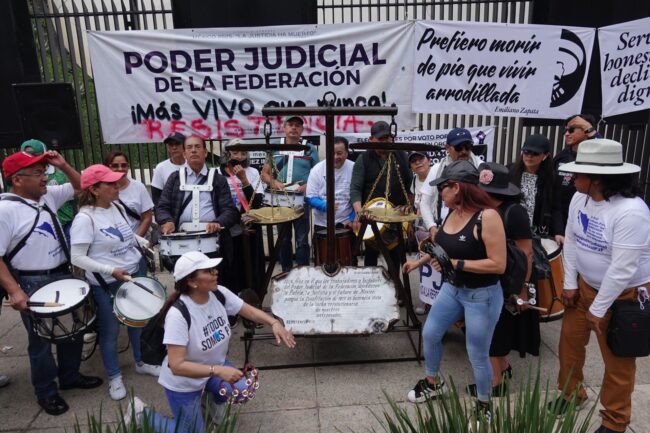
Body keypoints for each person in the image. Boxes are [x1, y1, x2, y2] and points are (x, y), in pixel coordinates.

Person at [124, 251, 296, 432]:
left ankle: (213, 403)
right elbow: (176, 365)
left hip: (212, 369)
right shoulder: (178, 315)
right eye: (208, 271)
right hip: (185, 382)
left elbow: (248, 311)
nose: (215, 273)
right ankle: (141, 414)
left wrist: (274, 322)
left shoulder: (218, 293)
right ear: (192, 282)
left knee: (243, 388)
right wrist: (218, 371)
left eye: (214, 269)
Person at [548, 139, 650, 433]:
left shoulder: (631, 211)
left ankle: (615, 422)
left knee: (618, 363)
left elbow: (623, 268)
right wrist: (569, 283)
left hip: (624, 297)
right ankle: (571, 394)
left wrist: (599, 308)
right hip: (584, 288)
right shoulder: (579, 198)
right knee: (569, 346)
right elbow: (572, 239)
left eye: (578, 173)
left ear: (598, 179)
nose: (572, 177)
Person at [402, 160, 506, 423]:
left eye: (442, 188)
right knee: (431, 333)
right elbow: (441, 246)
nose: (440, 193)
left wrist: (456, 264)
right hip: (452, 288)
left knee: (477, 354)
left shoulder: (488, 216)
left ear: (457, 187)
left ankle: (484, 405)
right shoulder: (452, 212)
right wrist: (419, 261)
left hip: (481, 295)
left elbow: (498, 264)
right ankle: (433, 382)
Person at [0, 150, 102, 415]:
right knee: (41, 341)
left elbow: (83, 186)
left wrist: (64, 165)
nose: (44, 177)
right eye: (37, 173)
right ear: (17, 180)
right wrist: (15, 290)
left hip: (62, 273)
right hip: (32, 280)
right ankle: (46, 391)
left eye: (43, 172)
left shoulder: (48, 197)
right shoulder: (5, 210)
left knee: (73, 330)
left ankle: (70, 376)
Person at [70, 164, 160, 401]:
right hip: (107, 283)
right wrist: (111, 270)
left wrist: (143, 243)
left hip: (133, 273)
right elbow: (77, 257)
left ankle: (141, 362)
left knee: (138, 322)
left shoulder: (116, 207)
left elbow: (128, 237)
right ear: (95, 189)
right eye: (110, 183)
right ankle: (114, 376)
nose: (116, 185)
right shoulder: (84, 218)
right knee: (110, 332)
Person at [467, 162, 538, 398]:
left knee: (493, 332)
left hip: (511, 281)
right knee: (496, 327)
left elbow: (526, 252)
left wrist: (523, 290)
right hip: (492, 277)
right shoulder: (485, 209)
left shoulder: (513, 211)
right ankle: (503, 368)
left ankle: (495, 383)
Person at [155, 135, 240, 278]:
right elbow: (162, 207)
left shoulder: (217, 179)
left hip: (212, 239)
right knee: (186, 283)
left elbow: (229, 209)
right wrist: (167, 221)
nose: (193, 151)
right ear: (184, 154)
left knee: (213, 280)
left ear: (205, 153)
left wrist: (218, 222)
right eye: (189, 148)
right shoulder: (174, 178)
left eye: (197, 147)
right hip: (182, 240)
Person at [260, 115, 319, 272]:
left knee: (302, 239)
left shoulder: (310, 148)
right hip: (281, 199)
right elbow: (264, 174)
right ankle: (286, 271)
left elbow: (318, 174)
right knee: (284, 238)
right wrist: (276, 183)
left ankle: (302, 271)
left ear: (302, 130)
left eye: (298, 125)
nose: (294, 128)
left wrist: (307, 186)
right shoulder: (274, 147)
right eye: (290, 125)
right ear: (284, 128)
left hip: (301, 198)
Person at [350, 121, 412, 268]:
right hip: (371, 216)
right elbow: (355, 189)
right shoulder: (363, 159)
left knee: (395, 259)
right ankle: (372, 289)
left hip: (396, 216)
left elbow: (410, 189)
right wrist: (359, 213)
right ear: (371, 140)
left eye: (387, 138)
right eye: (381, 138)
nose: (385, 142)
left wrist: (409, 219)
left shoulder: (401, 156)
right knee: (371, 258)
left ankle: (396, 288)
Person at [215, 140, 266, 296]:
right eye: (235, 152)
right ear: (227, 153)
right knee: (230, 264)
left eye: (243, 153)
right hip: (228, 227)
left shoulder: (252, 172)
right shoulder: (217, 173)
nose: (239, 157)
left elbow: (257, 202)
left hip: (249, 224)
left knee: (251, 265)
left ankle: (253, 298)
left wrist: (244, 180)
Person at [420, 128, 484, 240]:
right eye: (459, 147)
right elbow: (424, 202)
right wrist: (432, 227)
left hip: (471, 230)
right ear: (447, 148)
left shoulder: (480, 167)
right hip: (443, 227)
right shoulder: (437, 169)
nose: (464, 151)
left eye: (468, 146)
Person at [552, 114, 598, 245]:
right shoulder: (560, 157)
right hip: (562, 224)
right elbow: (554, 197)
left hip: (590, 222)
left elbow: (604, 146)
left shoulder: (597, 155)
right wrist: (558, 229)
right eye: (565, 131)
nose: (567, 134)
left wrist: (590, 130)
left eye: (571, 130)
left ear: (586, 130)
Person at [20, 139, 76, 242]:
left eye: (35, 155)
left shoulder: (60, 174)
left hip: (65, 226)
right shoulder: (22, 177)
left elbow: (80, 188)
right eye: (27, 155)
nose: (31, 158)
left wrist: (64, 166)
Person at [509, 134, 556, 235]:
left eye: (535, 153)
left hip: (536, 231)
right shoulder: (510, 171)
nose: (529, 156)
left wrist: (558, 232)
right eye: (526, 151)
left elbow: (556, 208)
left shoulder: (551, 178)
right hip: (510, 226)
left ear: (545, 155)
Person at [306, 136, 355, 233]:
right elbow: (310, 197)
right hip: (323, 224)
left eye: (339, 153)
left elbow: (360, 196)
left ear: (346, 153)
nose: (335, 157)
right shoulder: (317, 169)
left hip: (347, 223)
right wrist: (324, 205)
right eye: (332, 153)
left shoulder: (354, 168)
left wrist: (353, 218)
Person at [407, 151, 434, 315]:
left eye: (421, 159)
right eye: (414, 161)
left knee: (435, 266)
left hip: (436, 228)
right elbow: (416, 205)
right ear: (411, 167)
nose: (418, 163)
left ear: (429, 160)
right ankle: (426, 300)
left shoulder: (438, 177)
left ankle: (435, 303)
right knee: (424, 267)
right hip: (420, 229)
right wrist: (412, 223)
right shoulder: (414, 180)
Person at [104, 151, 154, 238]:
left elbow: (147, 217)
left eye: (124, 165)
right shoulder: (102, 190)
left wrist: (136, 241)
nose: (120, 169)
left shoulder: (138, 187)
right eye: (115, 166)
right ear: (107, 167)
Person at [151, 132, 186, 206]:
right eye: (171, 145)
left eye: (177, 144)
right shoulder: (161, 167)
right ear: (167, 148)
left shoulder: (193, 165)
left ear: (184, 146)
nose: (174, 147)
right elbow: (156, 196)